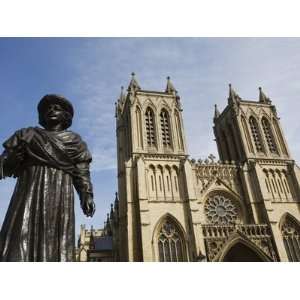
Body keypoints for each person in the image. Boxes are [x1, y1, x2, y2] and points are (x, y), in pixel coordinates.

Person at [0, 94, 95, 262]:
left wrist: (86, 195)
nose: (51, 110)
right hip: (28, 194)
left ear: (66, 116)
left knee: (55, 243)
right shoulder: (27, 135)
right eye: (47, 108)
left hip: (60, 196)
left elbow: (82, 172)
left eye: (56, 108)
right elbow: (5, 162)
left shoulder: (75, 142)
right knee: (19, 238)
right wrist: (10, 159)